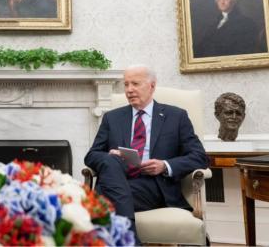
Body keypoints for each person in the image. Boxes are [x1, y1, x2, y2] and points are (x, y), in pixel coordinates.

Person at [84, 65, 208, 244]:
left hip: (155, 186)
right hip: (120, 179)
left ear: (152, 85)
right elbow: (92, 156)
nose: (129, 90)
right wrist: (112, 156)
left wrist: (164, 166)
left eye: (135, 83)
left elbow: (200, 156)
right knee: (110, 161)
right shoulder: (112, 118)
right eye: (126, 85)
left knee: (101, 199)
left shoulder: (176, 116)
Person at [194, 0, 266, 58]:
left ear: (234, 1)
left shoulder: (246, 23)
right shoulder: (213, 24)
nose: (222, 2)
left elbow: (245, 49)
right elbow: (202, 46)